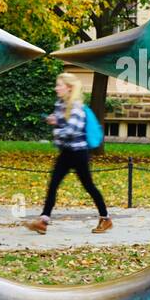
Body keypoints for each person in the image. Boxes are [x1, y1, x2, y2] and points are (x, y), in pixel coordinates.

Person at [24, 73, 112, 234]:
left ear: (69, 88)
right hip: (66, 152)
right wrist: (56, 123)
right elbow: (63, 127)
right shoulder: (60, 104)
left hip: (79, 153)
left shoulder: (77, 107)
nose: (56, 88)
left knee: (89, 186)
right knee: (53, 184)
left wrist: (57, 126)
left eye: (59, 85)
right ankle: (43, 221)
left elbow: (71, 131)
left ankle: (105, 218)